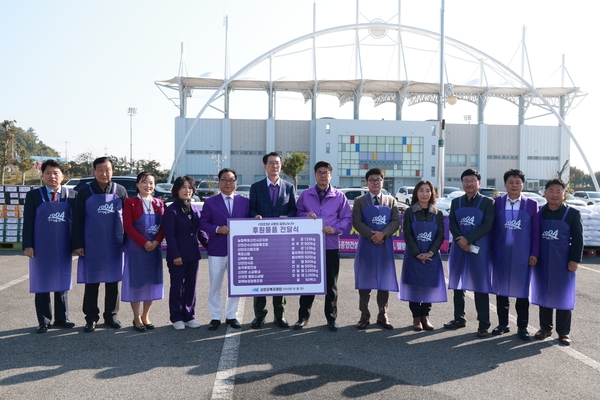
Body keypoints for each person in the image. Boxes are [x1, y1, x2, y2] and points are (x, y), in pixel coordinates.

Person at [294, 161, 352, 331]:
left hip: (331, 245)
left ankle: (331, 318)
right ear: (314, 175)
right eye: (319, 172)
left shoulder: (339, 196)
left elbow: (347, 219)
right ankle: (303, 317)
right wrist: (305, 215)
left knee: (331, 284)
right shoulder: (306, 195)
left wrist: (334, 229)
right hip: (309, 246)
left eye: (326, 172)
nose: (322, 175)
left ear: (331, 175)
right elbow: (297, 213)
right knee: (308, 283)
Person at [73, 156, 127, 333]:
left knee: (113, 281)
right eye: (100, 170)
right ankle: (91, 317)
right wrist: (78, 243)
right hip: (91, 244)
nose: (104, 173)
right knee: (92, 281)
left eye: (108, 170)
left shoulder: (120, 191)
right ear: (94, 171)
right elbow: (77, 219)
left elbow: (127, 219)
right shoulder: (84, 191)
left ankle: (111, 315)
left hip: (114, 244)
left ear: (113, 171)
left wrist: (125, 242)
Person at [23, 160, 77, 333]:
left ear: (62, 176)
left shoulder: (72, 195)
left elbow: (77, 223)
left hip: (64, 245)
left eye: (56, 173)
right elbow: (28, 222)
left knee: (62, 280)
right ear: (42, 175)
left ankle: (62, 318)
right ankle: (44, 320)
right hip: (41, 247)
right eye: (48, 173)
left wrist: (77, 244)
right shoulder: (34, 196)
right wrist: (28, 245)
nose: (52, 176)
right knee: (42, 281)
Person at [531, 179, 583, 346]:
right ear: (544, 193)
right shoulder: (539, 213)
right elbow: (533, 236)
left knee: (563, 295)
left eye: (558, 191)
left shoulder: (572, 214)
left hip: (563, 262)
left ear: (564, 194)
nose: (554, 194)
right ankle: (545, 328)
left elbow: (578, 239)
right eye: (551, 191)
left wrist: (575, 259)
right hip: (543, 261)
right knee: (544, 292)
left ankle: (563, 332)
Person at [249, 152, 297, 329]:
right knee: (260, 278)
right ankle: (259, 315)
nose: (274, 166)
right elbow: (250, 209)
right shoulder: (256, 187)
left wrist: (288, 217)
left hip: (281, 242)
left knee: (280, 277)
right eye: (271, 163)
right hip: (261, 241)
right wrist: (255, 216)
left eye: (277, 163)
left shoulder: (289, 187)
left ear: (281, 166)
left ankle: (279, 314)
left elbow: (294, 210)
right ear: (265, 166)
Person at [490, 169, 540, 340]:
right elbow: (491, 229)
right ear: (505, 184)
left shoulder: (532, 205)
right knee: (501, 291)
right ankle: (503, 324)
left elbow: (535, 232)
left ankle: (522, 327)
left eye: (517, 182)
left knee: (522, 292)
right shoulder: (496, 203)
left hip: (522, 255)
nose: (514, 185)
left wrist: (534, 253)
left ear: (522, 185)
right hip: (501, 253)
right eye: (511, 182)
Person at [444, 168, 494, 337]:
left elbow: (487, 225)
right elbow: (452, 223)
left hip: (480, 249)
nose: (469, 183)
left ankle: (484, 323)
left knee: (480, 285)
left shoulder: (488, 202)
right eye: (466, 180)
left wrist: (468, 240)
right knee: (458, 284)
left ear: (479, 183)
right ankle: (459, 318)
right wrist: (460, 239)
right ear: (462, 183)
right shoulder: (456, 202)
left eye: (473, 180)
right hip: (459, 248)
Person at [200, 168, 250, 331]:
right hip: (217, 249)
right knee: (215, 284)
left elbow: (249, 224)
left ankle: (231, 315)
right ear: (219, 182)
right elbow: (203, 223)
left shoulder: (245, 202)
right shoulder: (210, 202)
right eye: (224, 180)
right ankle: (215, 316)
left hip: (239, 250)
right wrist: (217, 229)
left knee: (235, 285)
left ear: (236, 182)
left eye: (231, 180)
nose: (228, 183)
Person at [353, 168, 400, 330]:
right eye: (371, 180)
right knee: (364, 281)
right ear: (366, 183)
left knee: (384, 281)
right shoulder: (360, 200)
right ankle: (364, 315)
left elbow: (395, 222)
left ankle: (383, 314)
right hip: (366, 245)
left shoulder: (391, 200)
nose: (375, 182)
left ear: (383, 182)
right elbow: (356, 222)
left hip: (385, 246)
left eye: (378, 180)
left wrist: (383, 234)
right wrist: (372, 235)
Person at [399, 180, 446, 331]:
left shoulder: (437, 213)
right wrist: (418, 253)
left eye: (427, 191)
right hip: (414, 256)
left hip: (432, 257)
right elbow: (407, 234)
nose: (424, 194)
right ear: (416, 193)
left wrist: (430, 252)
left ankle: (425, 316)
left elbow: (440, 235)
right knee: (414, 287)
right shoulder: (409, 212)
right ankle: (416, 318)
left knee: (429, 287)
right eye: (421, 191)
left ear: (432, 193)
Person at [163, 176, 209, 330]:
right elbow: (169, 234)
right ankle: (176, 317)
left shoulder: (195, 209)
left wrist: (211, 246)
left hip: (193, 255)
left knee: (191, 285)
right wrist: (176, 255)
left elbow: (200, 232)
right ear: (176, 190)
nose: (187, 190)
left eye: (190, 187)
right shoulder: (171, 210)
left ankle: (189, 315)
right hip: (178, 256)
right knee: (177, 286)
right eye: (183, 187)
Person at [122, 172, 165, 332]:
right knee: (137, 283)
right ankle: (136, 317)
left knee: (151, 283)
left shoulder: (159, 203)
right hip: (136, 248)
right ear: (137, 185)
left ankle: (146, 315)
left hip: (154, 249)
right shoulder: (130, 202)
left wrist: (156, 242)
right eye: (144, 182)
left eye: (151, 183)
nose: (148, 186)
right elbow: (128, 226)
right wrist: (144, 242)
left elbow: (163, 227)